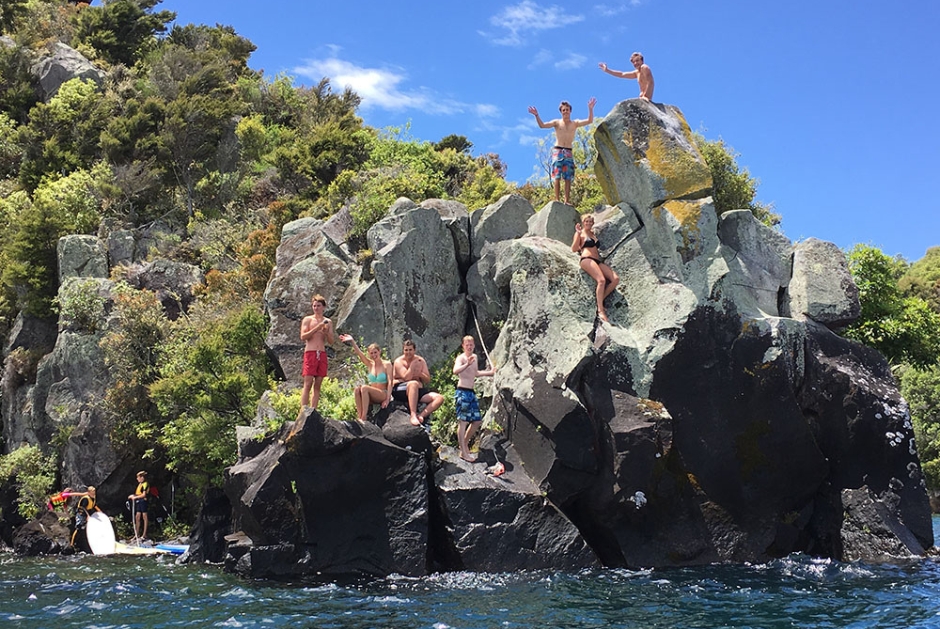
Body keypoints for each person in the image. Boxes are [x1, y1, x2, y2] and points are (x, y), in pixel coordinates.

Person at [527, 97, 596, 205]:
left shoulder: (575, 123)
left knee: (568, 177)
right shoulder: (557, 122)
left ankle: (567, 200)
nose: (565, 112)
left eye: (567, 110)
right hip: (558, 150)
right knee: (557, 176)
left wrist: (590, 109)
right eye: (563, 110)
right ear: (561, 111)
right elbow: (542, 126)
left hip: (568, 151)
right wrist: (536, 115)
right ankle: (557, 199)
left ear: (570, 111)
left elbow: (590, 121)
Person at [452, 336, 495, 462]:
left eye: (471, 344)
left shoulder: (475, 357)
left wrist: (490, 372)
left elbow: (475, 373)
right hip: (462, 392)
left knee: (477, 421)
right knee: (463, 421)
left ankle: (464, 444)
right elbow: (455, 371)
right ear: (463, 346)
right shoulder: (461, 358)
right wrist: (466, 364)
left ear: (474, 345)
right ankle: (463, 452)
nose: (469, 346)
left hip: (471, 392)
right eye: (467, 344)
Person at [572, 213, 620, 323]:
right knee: (601, 280)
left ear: (593, 223)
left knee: (615, 279)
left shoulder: (593, 233)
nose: (588, 223)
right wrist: (578, 234)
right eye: (586, 221)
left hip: (597, 260)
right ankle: (600, 310)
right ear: (583, 222)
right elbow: (574, 249)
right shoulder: (580, 233)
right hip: (586, 259)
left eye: (590, 221)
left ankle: (600, 299)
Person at [340, 334, 393, 422]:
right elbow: (360, 354)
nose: (374, 355)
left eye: (375, 352)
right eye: (371, 353)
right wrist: (352, 341)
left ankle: (364, 417)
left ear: (379, 352)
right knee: (357, 389)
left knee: (364, 387)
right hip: (371, 395)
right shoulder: (369, 364)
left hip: (382, 394)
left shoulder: (387, 364)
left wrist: (387, 399)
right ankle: (359, 416)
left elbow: (390, 382)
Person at [392, 339, 444, 426]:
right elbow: (406, 377)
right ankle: (413, 414)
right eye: (406, 350)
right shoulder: (399, 361)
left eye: (410, 350)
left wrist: (420, 374)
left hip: (416, 390)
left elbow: (427, 380)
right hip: (400, 389)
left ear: (414, 350)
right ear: (403, 350)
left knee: (439, 398)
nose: (408, 352)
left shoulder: (420, 360)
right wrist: (412, 366)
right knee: (413, 383)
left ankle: (421, 415)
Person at [298, 294, 335, 418]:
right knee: (308, 382)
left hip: (322, 353)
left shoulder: (328, 321)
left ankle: (313, 411)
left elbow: (331, 341)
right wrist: (317, 328)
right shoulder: (308, 320)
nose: (316, 308)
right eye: (314, 306)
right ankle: (303, 410)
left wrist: (325, 331)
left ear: (323, 307)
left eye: (318, 306)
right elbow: (303, 337)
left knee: (318, 383)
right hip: (310, 352)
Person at [128, 470, 149, 541]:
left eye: (138, 477)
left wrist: (135, 497)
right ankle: (137, 534)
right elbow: (138, 493)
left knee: (144, 516)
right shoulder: (140, 484)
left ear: (142, 477)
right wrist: (133, 496)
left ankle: (144, 534)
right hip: (138, 501)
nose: (137, 479)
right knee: (137, 517)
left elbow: (144, 495)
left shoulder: (145, 484)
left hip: (143, 501)